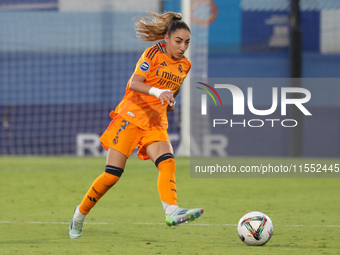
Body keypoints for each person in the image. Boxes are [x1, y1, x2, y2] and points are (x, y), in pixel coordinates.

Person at [69, 11, 203, 239]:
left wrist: (169, 99)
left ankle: (171, 211)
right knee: (112, 175)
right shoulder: (153, 53)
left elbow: (175, 87)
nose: (183, 47)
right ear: (167, 39)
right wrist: (158, 91)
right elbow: (135, 83)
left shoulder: (185, 65)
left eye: (187, 42)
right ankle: (79, 216)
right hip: (131, 115)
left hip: (155, 121)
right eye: (178, 41)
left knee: (167, 162)